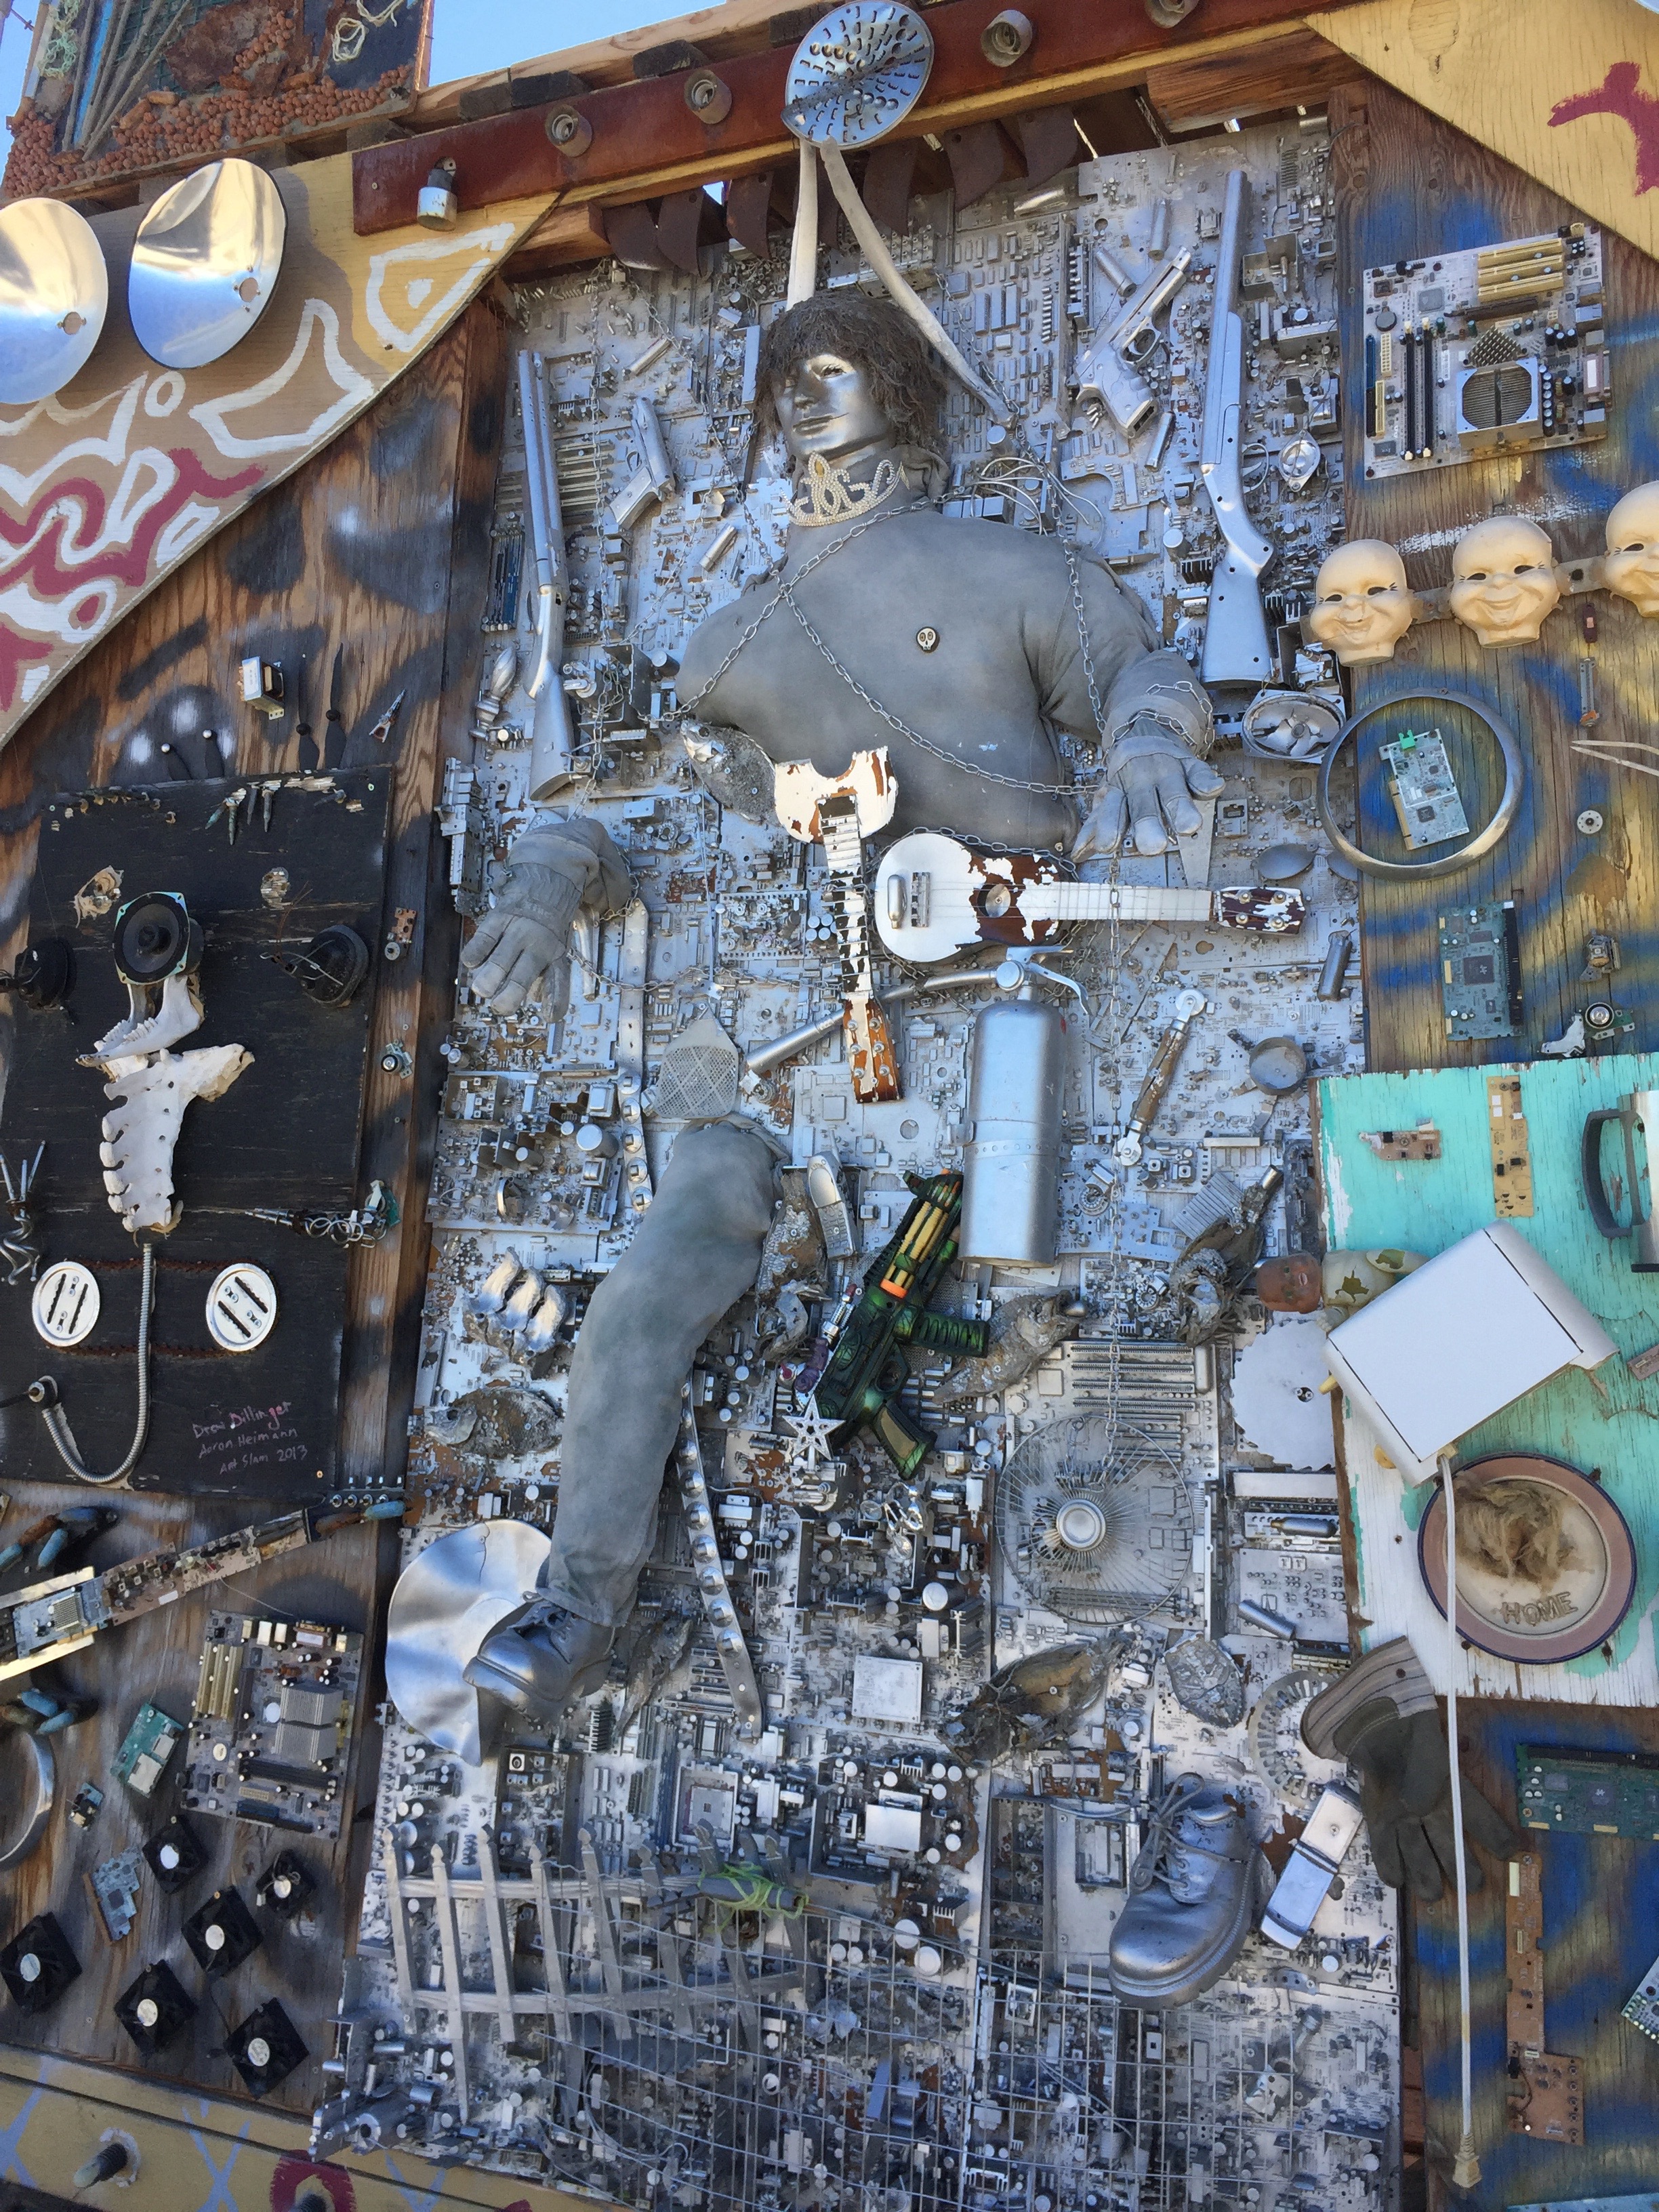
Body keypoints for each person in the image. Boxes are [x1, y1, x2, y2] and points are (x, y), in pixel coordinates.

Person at [458, 293, 1223, 1725]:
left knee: (1037, 1324)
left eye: (838, 370)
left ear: (902, 392)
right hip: (794, 1048)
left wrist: (1144, 741)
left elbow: (1146, 672)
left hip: (1008, 1007)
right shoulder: (728, 644)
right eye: (787, 379)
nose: (807, 399)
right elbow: (638, 816)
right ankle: (578, 1604)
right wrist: (550, 876)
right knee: (634, 1310)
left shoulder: (1017, 575)